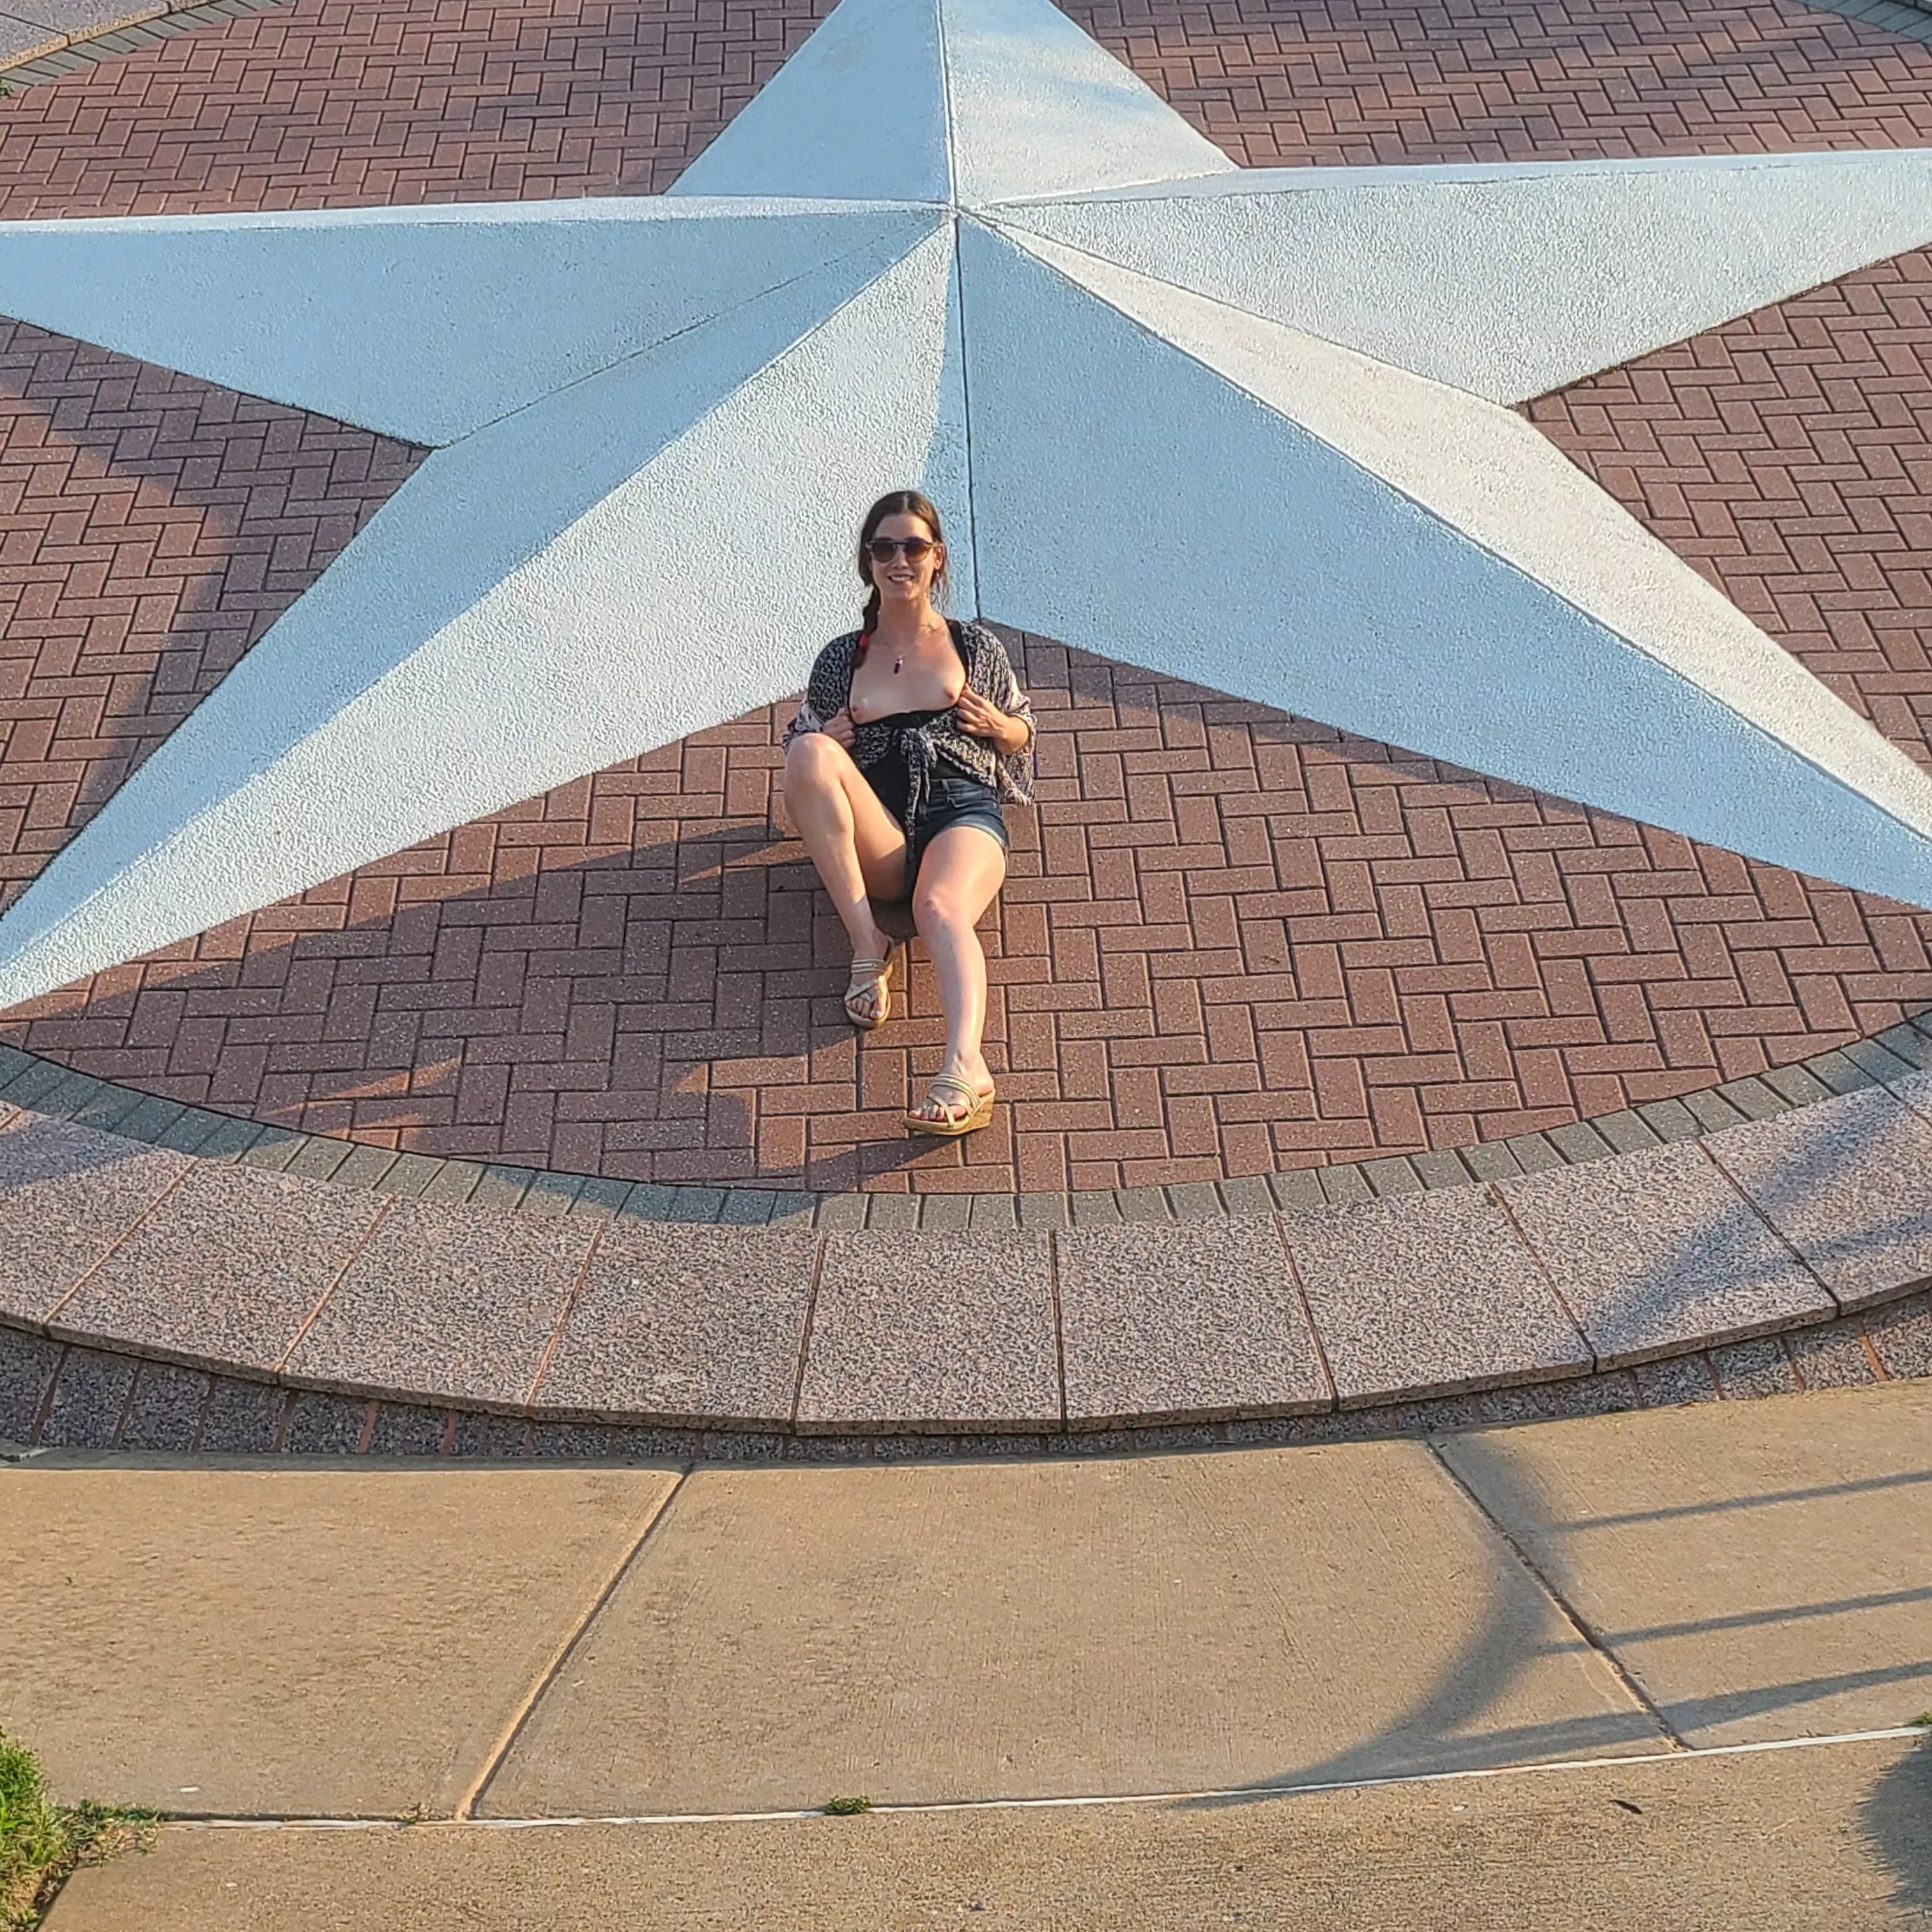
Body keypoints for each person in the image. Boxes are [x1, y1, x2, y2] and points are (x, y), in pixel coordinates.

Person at [781, 489, 1036, 1136]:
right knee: (809, 754)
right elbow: (802, 744)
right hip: (886, 832)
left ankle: (964, 1065)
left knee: (940, 909)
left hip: (962, 816)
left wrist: (1003, 728)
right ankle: (869, 943)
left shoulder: (972, 646)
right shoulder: (844, 658)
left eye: (914, 547)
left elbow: (1024, 729)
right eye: (885, 548)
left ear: (937, 558)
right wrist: (827, 739)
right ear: (868, 561)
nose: (900, 560)